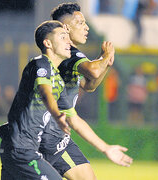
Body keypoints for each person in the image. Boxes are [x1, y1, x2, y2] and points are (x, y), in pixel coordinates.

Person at [39, 2, 132, 179]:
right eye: (81, 23)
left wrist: (105, 63)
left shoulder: (68, 54)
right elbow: (93, 71)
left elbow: (89, 85)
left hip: (60, 135)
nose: (86, 27)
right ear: (65, 28)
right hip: (47, 137)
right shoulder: (69, 54)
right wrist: (104, 58)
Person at [0, 20, 73, 180]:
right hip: (21, 150)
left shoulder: (58, 80)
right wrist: (56, 114)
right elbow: (45, 92)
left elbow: (75, 119)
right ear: (48, 43)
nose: (69, 41)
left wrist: (105, 147)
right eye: (63, 37)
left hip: (17, 149)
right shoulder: (40, 64)